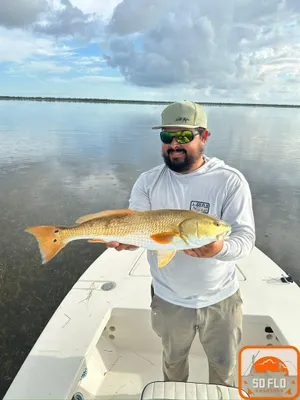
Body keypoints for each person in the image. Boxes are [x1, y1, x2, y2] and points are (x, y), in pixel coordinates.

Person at [105, 100, 256, 387]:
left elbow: (245, 240)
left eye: (185, 136)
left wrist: (219, 249)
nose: (174, 144)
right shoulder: (147, 182)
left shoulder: (229, 181)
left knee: (224, 370)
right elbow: (138, 228)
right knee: (173, 367)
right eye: (167, 136)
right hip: (168, 298)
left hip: (220, 299)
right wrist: (130, 242)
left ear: (204, 137)